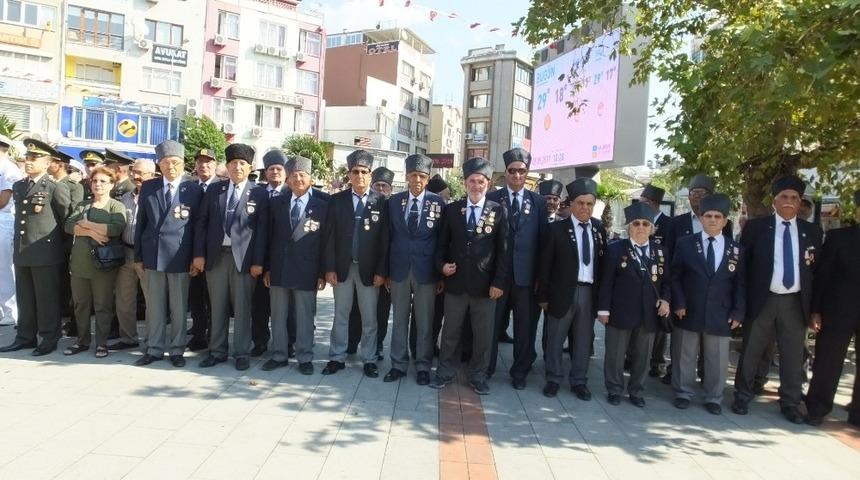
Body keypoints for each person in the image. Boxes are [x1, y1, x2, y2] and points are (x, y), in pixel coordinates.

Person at [731, 175, 823, 423]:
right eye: (784, 197)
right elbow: (742, 268)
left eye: (794, 198)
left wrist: (815, 310)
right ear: (775, 201)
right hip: (763, 299)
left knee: (793, 354)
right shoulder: (756, 228)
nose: (789, 202)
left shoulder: (812, 231)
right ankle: (742, 394)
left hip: (795, 302)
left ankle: (791, 402)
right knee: (751, 349)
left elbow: (817, 273)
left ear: (800, 202)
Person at [430, 157, 510, 395]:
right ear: (465, 184)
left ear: (488, 184)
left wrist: (498, 283)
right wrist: (442, 266)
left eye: (481, 181)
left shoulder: (498, 211)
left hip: (485, 287)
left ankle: (478, 376)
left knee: (482, 336)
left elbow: (504, 252)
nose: (476, 185)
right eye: (472, 181)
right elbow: (441, 245)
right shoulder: (453, 209)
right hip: (455, 284)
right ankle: (444, 371)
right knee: (451, 332)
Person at [194, 144, 267, 371]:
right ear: (226, 166)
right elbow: (201, 224)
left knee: (243, 308)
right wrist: (198, 254)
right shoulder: (215, 190)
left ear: (250, 168)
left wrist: (258, 261)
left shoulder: (259, 193)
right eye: (233, 163)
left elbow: (263, 231)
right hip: (216, 258)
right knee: (217, 306)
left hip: (244, 261)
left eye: (242, 164)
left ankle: (241, 352)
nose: (237, 167)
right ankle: (217, 351)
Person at [670, 193, 745, 414]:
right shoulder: (686, 244)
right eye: (708, 216)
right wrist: (679, 302)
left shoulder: (736, 250)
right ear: (701, 218)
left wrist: (738, 312)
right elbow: (675, 277)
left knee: (717, 358)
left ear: (725, 221)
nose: (712, 220)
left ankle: (714, 397)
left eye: (717, 216)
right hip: (688, 309)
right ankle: (683, 392)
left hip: (720, 312)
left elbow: (741, 284)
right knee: (685, 353)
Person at [133, 140, 204, 367]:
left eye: (175, 162)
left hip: (180, 256)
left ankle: (176, 350)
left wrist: (197, 256)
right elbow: (140, 224)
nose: (170, 167)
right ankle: (154, 349)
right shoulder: (149, 187)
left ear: (183, 164)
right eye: (165, 163)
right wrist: (138, 257)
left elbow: (198, 227)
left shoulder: (194, 189)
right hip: (153, 254)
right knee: (154, 306)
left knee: (179, 307)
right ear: (158, 165)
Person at [0, 139, 72, 355]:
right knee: (25, 297)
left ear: (48, 162)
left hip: (46, 253)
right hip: (23, 251)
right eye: (27, 158)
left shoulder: (54, 188)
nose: (28, 162)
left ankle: (49, 337)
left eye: (34, 159)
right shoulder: (20, 186)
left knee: (46, 298)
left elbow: (65, 220)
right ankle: (25, 336)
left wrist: (60, 251)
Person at [322, 149, 390, 377]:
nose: (360, 176)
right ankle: (336, 357)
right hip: (342, 268)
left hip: (369, 271)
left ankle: (369, 359)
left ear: (370, 175)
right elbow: (329, 237)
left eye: (364, 172)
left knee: (370, 317)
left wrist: (381, 271)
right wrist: (329, 268)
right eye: (355, 172)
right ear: (349, 174)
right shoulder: (336, 201)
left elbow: (385, 241)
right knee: (340, 314)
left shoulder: (381, 202)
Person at [538, 178, 607, 399]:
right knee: (555, 338)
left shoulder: (599, 229)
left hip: (588, 292)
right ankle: (553, 378)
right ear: (572, 204)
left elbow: (603, 264)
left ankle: (579, 380)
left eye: (589, 203)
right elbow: (545, 265)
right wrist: (543, 295)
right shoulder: (557, 229)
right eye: (580, 203)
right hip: (562, 291)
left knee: (584, 340)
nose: (585, 208)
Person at [597, 202, 671, 407]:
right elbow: (606, 282)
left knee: (643, 356)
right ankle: (614, 388)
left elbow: (667, 282)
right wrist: (603, 309)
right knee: (615, 354)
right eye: (636, 223)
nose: (640, 227)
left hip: (649, 314)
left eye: (645, 224)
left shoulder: (661, 252)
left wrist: (666, 299)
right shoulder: (615, 249)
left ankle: (636, 390)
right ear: (629, 226)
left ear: (651, 228)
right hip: (620, 311)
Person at [259, 155, 328, 374]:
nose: (298, 179)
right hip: (279, 267)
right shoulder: (276, 203)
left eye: (303, 175)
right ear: (287, 179)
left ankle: (305, 357)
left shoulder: (323, 205)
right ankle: (279, 354)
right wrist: (267, 267)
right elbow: (267, 238)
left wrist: (321, 273)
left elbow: (326, 243)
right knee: (278, 314)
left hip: (307, 269)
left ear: (311, 178)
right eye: (294, 175)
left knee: (305, 316)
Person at [661, 174, 732, 384]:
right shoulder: (677, 223)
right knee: (683, 338)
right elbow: (669, 254)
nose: (697, 198)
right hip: (684, 287)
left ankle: (705, 374)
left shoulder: (724, 222)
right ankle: (678, 373)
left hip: (713, 290)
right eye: (693, 194)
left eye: (703, 194)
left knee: (710, 338)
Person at [486, 148, 547, 389]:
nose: (517, 176)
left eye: (522, 171)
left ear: (527, 173)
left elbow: (544, 242)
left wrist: (541, 279)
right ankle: (486, 368)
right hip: (498, 277)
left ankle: (520, 372)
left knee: (525, 327)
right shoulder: (492, 198)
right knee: (491, 326)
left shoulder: (538, 202)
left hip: (526, 278)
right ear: (506, 172)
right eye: (512, 171)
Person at [383, 154, 444, 385]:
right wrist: (386, 270)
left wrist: (439, 274)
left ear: (427, 179)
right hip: (399, 269)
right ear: (407, 176)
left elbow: (441, 241)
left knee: (425, 321)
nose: (417, 179)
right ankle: (398, 364)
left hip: (426, 271)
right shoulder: (394, 201)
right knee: (399, 318)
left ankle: (422, 365)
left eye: (422, 176)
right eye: (413, 175)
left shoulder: (438, 203)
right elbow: (387, 238)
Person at [805, 190, 860, 428]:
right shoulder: (839, 238)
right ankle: (817, 408)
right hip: (838, 309)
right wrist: (815, 310)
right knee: (828, 361)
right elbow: (823, 276)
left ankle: (857, 412)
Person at [63, 166, 126, 358]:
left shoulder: (116, 206)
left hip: (103, 266)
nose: (98, 184)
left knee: (102, 305)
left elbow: (115, 229)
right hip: (80, 264)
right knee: (80, 304)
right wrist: (91, 231)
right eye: (95, 181)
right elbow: (68, 226)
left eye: (103, 181)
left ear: (111, 185)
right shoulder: (83, 205)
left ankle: (102, 343)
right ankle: (82, 341)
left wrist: (86, 223)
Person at [349, 167, 395, 359]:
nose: (382, 189)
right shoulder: (367, 203)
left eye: (385, 186)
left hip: (385, 268)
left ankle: (377, 346)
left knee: (381, 311)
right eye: (378, 185)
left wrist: (386, 272)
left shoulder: (393, 206)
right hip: (361, 267)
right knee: (355, 309)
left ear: (391, 189)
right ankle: (352, 343)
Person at [109, 159, 155, 351]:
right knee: (124, 299)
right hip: (126, 253)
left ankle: (152, 340)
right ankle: (128, 338)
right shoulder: (125, 197)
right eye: (134, 172)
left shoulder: (156, 196)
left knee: (152, 300)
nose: (136, 177)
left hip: (146, 256)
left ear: (152, 175)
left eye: (141, 173)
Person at [251, 150, 290, 357]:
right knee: (259, 304)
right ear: (265, 173)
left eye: (279, 169)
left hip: (283, 260)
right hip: (257, 257)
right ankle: (259, 341)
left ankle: (287, 342)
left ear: (285, 172)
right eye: (271, 169)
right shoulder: (256, 193)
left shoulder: (291, 193)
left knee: (285, 306)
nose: (274, 172)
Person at [187, 148, 222, 352]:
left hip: (216, 254)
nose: (203, 165)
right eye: (200, 162)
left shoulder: (222, 187)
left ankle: (214, 335)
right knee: (196, 296)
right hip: (194, 252)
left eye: (208, 162)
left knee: (214, 299)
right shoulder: (189, 187)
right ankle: (199, 333)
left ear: (216, 165)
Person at [0, 135, 24, 327]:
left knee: (5, 269)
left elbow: (3, 200)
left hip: (5, 220)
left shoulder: (9, 169)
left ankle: (11, 311)